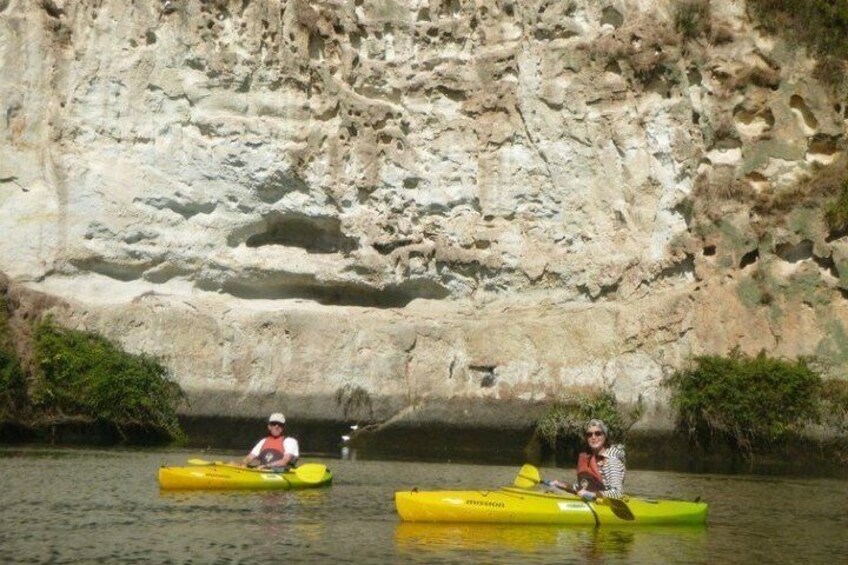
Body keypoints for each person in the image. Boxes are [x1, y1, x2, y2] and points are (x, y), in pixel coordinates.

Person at [551, 418, 626, 500]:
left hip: (607, 505)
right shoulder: (590, 458)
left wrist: (592, 494)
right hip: (594, 499)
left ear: (605, 436)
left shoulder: (612, 460)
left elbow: (617, 493)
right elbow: (586, 488)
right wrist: (565, 486)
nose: (593, 437)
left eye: (598, 433)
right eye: (589, 434)